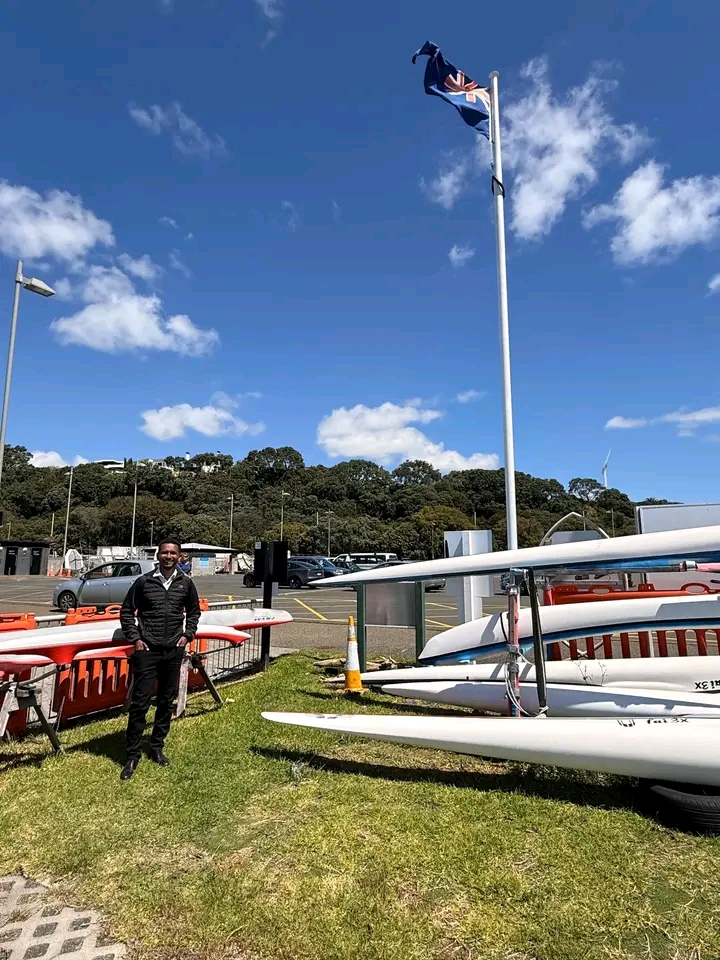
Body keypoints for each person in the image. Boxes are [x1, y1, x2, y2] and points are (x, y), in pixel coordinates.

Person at [119, 537, 201, 781]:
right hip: (147, 650)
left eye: (173, 553)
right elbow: (126, 611)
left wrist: (187, 635)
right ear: (158, 555)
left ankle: (156, 747)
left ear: (179, 556)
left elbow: (194, 611)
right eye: (165, 552)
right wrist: (135, 639)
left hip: (173, 651)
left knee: (166, 702)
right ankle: (132, 755)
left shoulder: (186, 583)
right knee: (140, 704)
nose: (168, 557)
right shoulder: (144, 582)